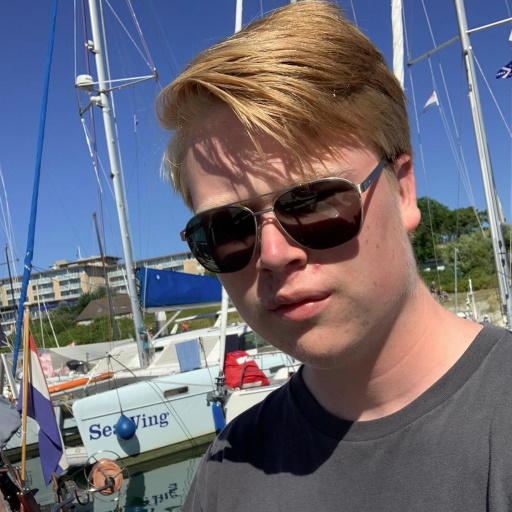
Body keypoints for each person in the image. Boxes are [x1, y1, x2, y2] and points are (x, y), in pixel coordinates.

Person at [156, 2, 512, 510]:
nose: (274, 255)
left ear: (403, 190)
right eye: (227, 228)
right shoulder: (227, 473)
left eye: (315, 203)